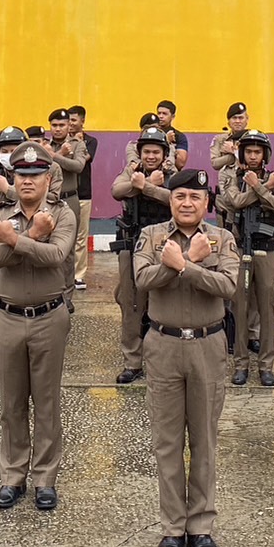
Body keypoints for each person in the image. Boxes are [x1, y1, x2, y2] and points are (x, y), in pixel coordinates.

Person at [135, 168, 238, 547]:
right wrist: (181, 262)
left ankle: (201, 526)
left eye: (195, 197)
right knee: (167, 443)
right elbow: (142, 279)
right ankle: (173, 528)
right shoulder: (152, 236)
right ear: (171, 201)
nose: (187, 203)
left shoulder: (221, 238)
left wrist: (187, 265)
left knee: (204, 441)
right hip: (163, 345)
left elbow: (228, 286)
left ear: (206, 203)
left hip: (208, 346)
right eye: (180, 196)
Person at [0, 143, 78, 511]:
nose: (27, 180)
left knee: (46, 402)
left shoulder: (62, 214)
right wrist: (34, 236)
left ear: (48, 179)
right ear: (13, 177)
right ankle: (12, 476)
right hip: (8, 317)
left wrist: (17, 239)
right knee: (11, 403)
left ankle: (44, 479)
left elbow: (56, 255)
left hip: (49, 317)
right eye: (21, 174)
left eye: (35, 174)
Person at [219, 129, 274, 387]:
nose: (253, 156)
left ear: (265, 154)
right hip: (240, 250)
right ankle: (241, 365)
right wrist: (264, 190)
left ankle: (266, 366)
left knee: (267, 309)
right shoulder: (232, 178)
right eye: (248, 151)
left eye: (258, 151)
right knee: (240, 308)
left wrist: (259, 186)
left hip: (267, 251)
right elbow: (235, 202)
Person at [111, 126, 172, 383]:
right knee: (130, 304)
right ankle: (132, 363)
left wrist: (145, 187)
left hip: (163, 248)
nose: (150, 156)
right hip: (132, 244)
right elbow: (117, 190)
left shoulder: (172, 174)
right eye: (146, 151)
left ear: (164, 154)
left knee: (163, 304)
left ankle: (162, 361)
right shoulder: (131, 172)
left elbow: (175, 199)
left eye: (155, 152)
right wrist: (142, 183)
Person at [42, 108, 88, 300]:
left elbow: (78, 166)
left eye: (62, 125)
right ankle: (50, 293)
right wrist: (55, 154)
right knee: (46, 245)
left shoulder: (77, 144)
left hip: (69, 200)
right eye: (54, 125)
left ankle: (67, 296)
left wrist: (55, 156)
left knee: (68, 250)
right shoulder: (44, 145)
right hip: (47, 200)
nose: (58, 128)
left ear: (69, 125)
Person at [68, 105, 97, 290]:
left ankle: (78, 275)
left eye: (74, 120)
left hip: (83, 193)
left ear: (82, 121)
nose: (70, 124)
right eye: (68, 120)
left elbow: (82, 160)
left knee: (81, 236)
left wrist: (79, 144)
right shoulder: (62, 141)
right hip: (64, 194)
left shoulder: (91, 141)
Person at [155, 100, 190, 170]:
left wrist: (169, 145)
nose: (160, 116)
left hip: (171, 173)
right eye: (159, 113)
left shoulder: (178, 136)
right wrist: (166, 140)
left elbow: (180, 164)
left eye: (164, 114)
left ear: (173, 117)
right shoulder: (149, 133)